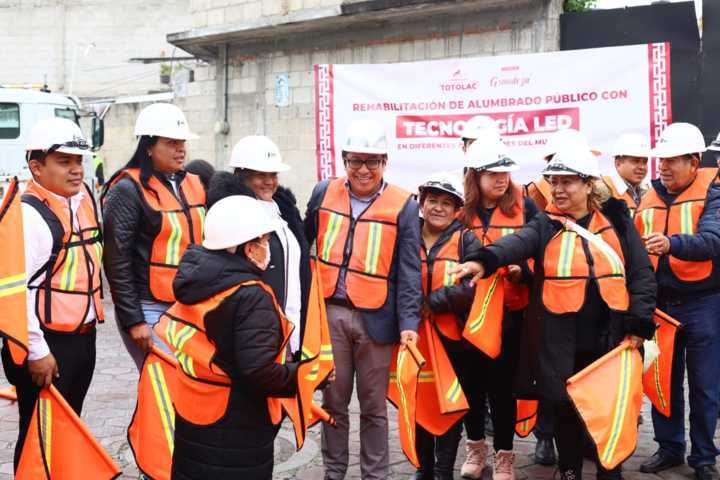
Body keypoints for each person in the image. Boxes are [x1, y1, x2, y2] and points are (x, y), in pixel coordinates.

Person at [453, 144, 656, 480]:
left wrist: (639, 325)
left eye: (567, 182)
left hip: (610, 338)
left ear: (588, 184)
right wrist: (482, 261)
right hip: (560, 339)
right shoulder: (545, 224)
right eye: (554, 182)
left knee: (609, 410)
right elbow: (515, 243)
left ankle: (610, 472)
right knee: (563, 409)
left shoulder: (618, 221)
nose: (558, 189)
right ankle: (569, 471)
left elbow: (641, 274)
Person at [304, 119, 422, 480]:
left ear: (385, 162)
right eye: (356, 160)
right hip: (331, 315)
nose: (363, 169)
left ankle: (375, 475)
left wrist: (409, 323)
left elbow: (409, 271)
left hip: (377, 320)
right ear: (344, 159)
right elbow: (304, 242)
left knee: (373, 407)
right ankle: (334, 471)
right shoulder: (323, 192)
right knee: (333, 400)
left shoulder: (403, 205)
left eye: (372, 161)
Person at [156, 195, 299, 480]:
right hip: (236, 428)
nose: (268, 247)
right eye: (264, 240)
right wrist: (304, 376)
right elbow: (259, 372)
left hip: (194, 413)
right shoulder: (250, 295)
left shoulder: (197, 281)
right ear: (249, 248)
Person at [1, 117, 103, 469]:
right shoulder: (29, 216)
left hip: (81, 339)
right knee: (38, 436)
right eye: (64, 161)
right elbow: (15, 292)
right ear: (36, 167)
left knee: (65, 431)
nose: (76, 169)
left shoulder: (82, 200)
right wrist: (37, 351)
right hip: (47, 344)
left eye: (78, 161)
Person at [636, 123, 720, 480]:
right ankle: (669, 448)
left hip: (703, 302)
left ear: (694, 161)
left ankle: (703, 458)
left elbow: (714, 240)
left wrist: (673, 244)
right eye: (662, 160)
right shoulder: (647, 196)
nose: (664, 167)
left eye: (672, 160)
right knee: (662, 382)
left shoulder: (714, 194)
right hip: (660, 305)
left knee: (704, 385)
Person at [453, 139, 538, 480]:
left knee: (502, 389)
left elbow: (542, 253)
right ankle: (475, 449)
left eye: (505, 171)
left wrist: (523, 271)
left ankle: (505, 456)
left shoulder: (526, 207)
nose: (502, 178)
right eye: (493, 173)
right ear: (475, 175)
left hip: (510, 314)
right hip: (466, 314)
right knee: (470, 385)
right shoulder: (459, 210)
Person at [102, 102, 206, 370]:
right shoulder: (127, 189)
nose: (180, 149)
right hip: (149, 306)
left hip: (187, 305)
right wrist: (134, 320)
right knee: (161, 382)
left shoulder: (192, 183)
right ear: (148, 146)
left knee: (186, 384)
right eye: (171, 143)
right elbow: (116, 261)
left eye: (182, 142)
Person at [207, 135, 310, 357]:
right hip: (256, 329)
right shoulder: (233, 217)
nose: (269, 182)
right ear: (241, 176)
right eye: (261, 175)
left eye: (273, 175)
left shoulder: (283, 210)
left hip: (291, 322)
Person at [412, 171, 476, 480]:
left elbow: (475, 285)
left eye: (446, 203)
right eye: (432, 201)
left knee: (450, 403)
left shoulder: (466, 239)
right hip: (413, 337)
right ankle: (423, 467)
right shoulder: (406, 235)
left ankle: (443, 470)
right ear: (422, 204)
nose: (438, 208)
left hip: (453, 339)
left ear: (457, 210)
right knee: (417, 402)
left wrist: (435, 302)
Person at [602, 133, 650, 215]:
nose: (642, 167)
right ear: (618, 164)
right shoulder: (603, 189)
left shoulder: (647, 190)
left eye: (645, 162)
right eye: (636, 161)